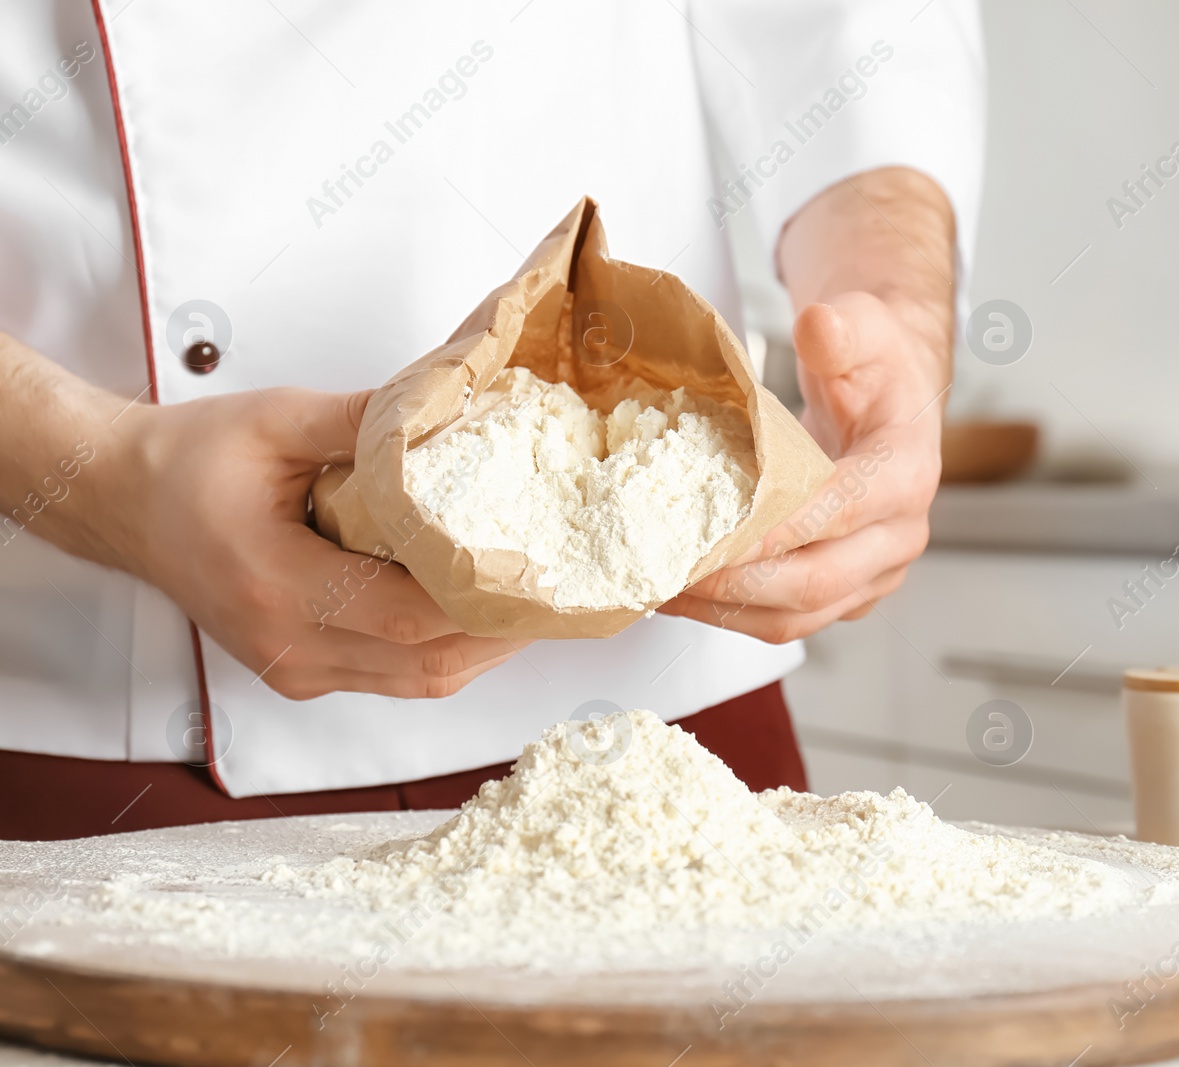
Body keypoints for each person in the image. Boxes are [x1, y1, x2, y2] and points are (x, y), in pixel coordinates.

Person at [0, 1, 985, 840]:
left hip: (660, 734)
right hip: (103, 744)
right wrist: (96, 480)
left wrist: (888, 305)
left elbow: (846, 34)